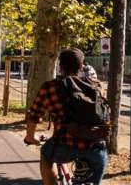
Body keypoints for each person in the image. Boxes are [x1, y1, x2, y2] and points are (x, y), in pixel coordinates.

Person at [23, 49, 109, 185]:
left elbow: (34, 115)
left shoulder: (50, 87)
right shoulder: (96, 86)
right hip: (96, 148)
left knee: (46, 155)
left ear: (60, 66)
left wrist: (30, 137)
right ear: (81, 66)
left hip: (64, 146)